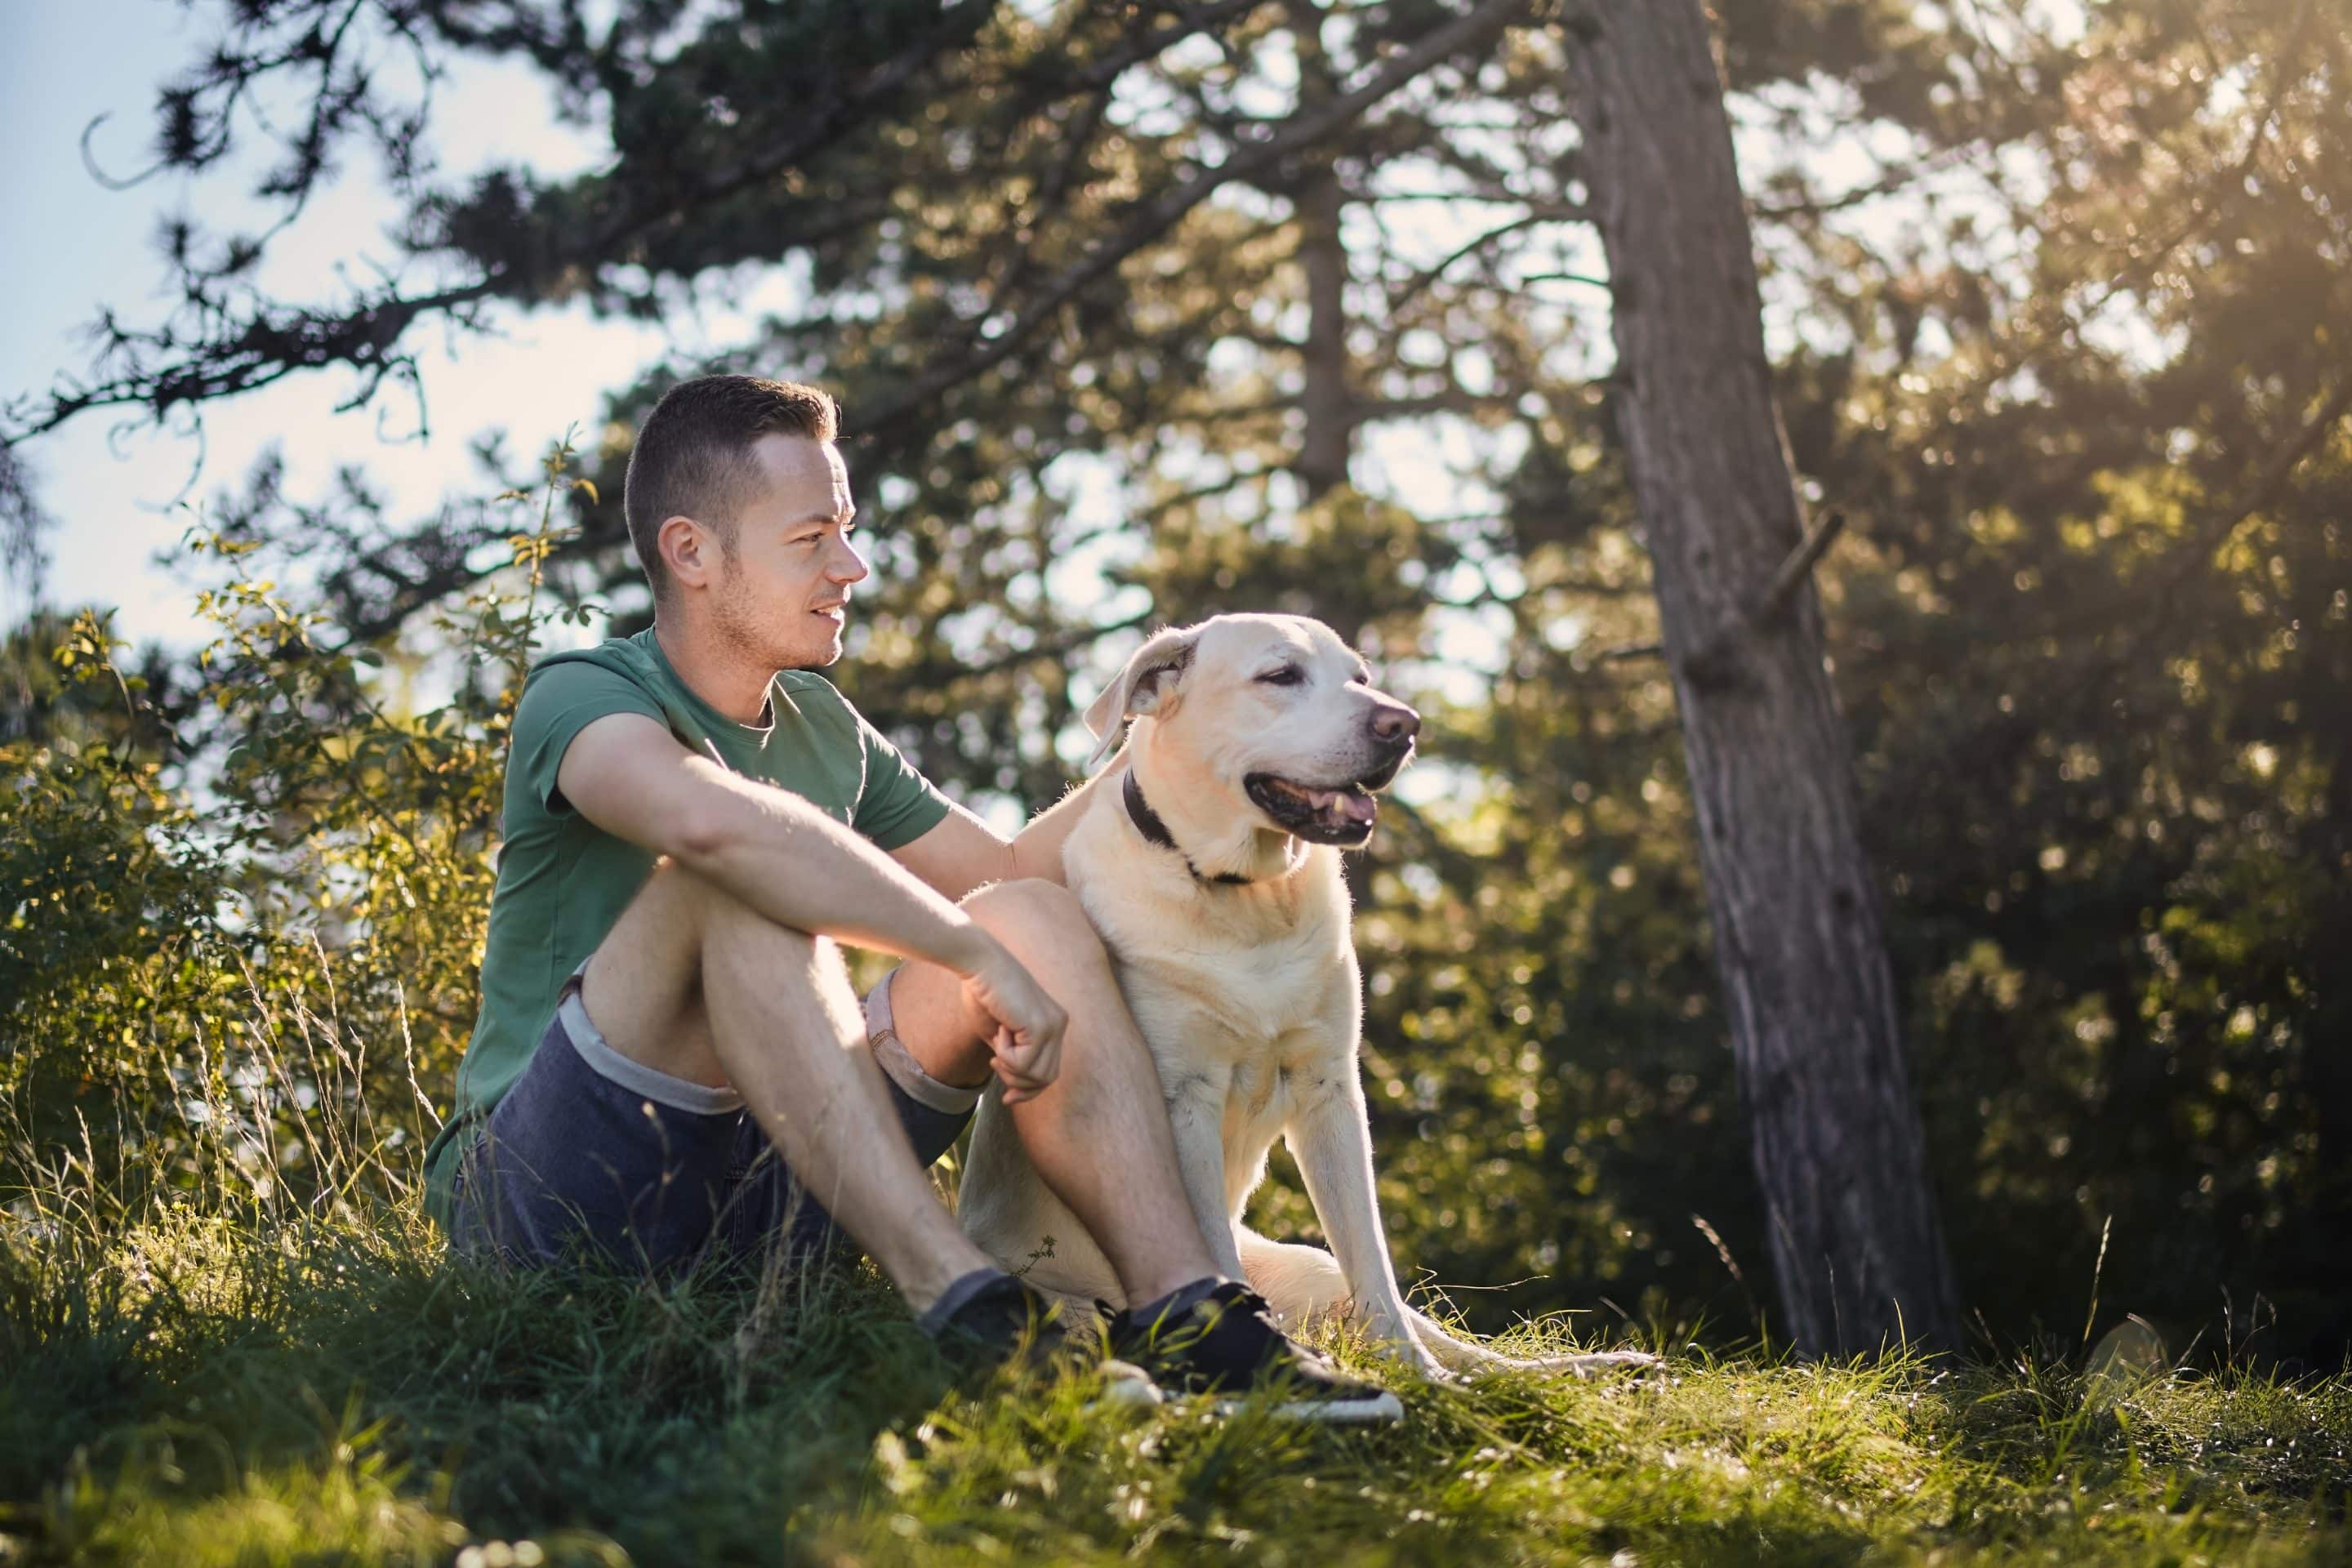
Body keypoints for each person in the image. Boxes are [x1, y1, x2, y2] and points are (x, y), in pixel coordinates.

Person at [421, 374, 1401, 1420]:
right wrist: (970, 959)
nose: (852, 566)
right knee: (731, 886)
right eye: (812, 539)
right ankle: (966, 1305)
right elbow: (709, 827)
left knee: (1037, 918)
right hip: (548, 1199)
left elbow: (1018, 876)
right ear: (692, 553)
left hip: (774, 1186)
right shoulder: (585, 695)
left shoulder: (825, 728)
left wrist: (1186, 730)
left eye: (847, 529)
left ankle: (1194, 1317)